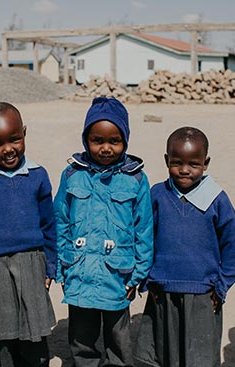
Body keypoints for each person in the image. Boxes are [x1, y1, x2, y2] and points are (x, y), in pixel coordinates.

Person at [54, 96, 153, 367]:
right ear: (86, 140)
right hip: (80, 272)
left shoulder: (136, 180)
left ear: (125, 141)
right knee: (81, 340)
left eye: (115, 141)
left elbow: (144, 230)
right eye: (98, 140)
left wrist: (138, 275)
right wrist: (62, 268)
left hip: (117, 276)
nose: (106, 148)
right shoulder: (72, 175)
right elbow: (60, 221)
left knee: (118, 341)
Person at [133, 126, 235, 367]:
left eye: (193, 164)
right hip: (162, 290)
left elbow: (232, 243)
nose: (184, 170)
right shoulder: (157, 195)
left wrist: (222, 285)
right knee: (164, 352)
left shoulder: (216, 198)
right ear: (166, 160)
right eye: (176, 162)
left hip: (203, 292)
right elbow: (144, 236)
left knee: (198, 356)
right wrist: (148, 278)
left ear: (206, 162)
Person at [0, 102, 57, 367]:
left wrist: (50, 267)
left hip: (31, 263)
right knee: (2, 334)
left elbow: (48, 224)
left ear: (24, 132)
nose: (8, 149)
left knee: (34, 330)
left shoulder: (37, 175)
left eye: (14, 139)